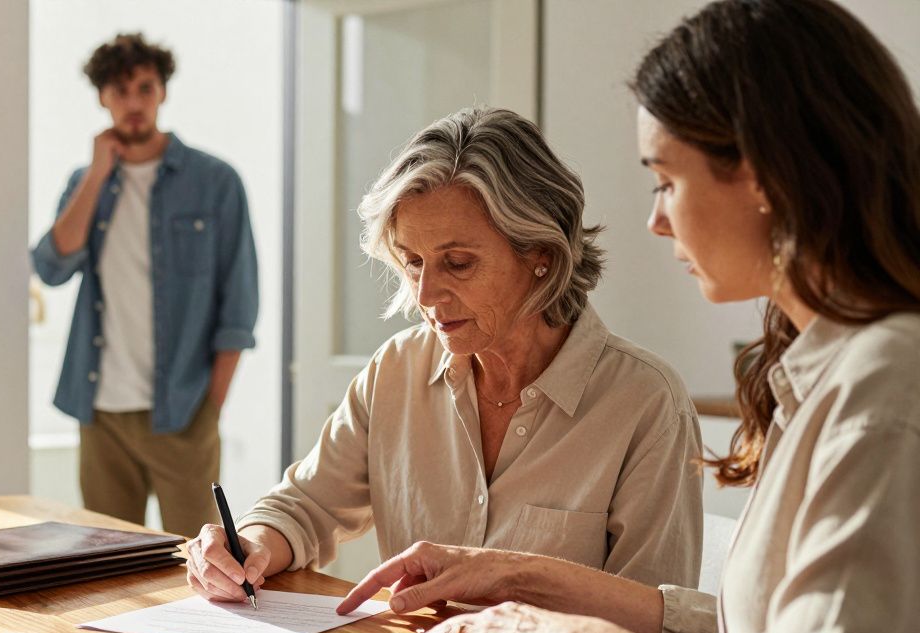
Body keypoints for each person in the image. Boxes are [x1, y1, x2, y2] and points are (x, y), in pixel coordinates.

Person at [337, 1, 920, 633]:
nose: (657, 219)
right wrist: (522, 580)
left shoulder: (885, 392)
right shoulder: (826, 371)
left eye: (666, 179)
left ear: (766, 175)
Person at [185, 107, 704, 603]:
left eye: (457, 263)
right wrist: (249, 544)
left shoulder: (644, 403)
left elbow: (654, 618)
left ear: (541, 254)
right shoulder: (396, 370)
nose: (426, 294)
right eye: (413, 263)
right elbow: (306, 505)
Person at [33, 33, 259, 537]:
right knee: (110, 559)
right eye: (120, 91)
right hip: (100, 411)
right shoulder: (85, 181)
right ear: (101, 97)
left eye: (144, 88)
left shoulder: (215, 181)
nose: (133, 103)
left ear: (162, 92)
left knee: (201, 561)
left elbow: (238, 305)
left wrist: (210, 407)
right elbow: (51, 267)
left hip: (182, 408)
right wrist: (97, 174)